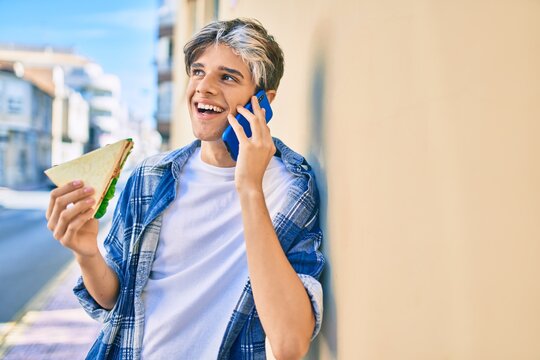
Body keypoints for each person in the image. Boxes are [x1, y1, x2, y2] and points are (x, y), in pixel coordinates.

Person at [46, 18, 324, 359]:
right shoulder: (151, 177)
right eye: (197, 72)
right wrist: (87, 253)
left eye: (227, 77)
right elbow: (115, 300)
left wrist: (250, 187)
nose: (202, 88)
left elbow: (289, 345)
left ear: (263, 101)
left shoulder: (292, 189)